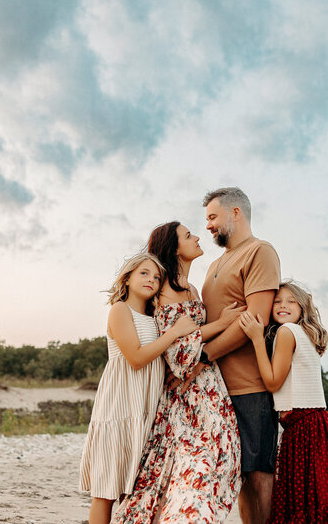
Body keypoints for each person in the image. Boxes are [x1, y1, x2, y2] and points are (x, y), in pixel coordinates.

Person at [113, 222, 243, 522]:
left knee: (221, 463)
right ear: (174, 249)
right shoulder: (164, 292)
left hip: (211, 390)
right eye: (188, 235)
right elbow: (180, 356)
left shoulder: (192, 288)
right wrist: (221, 323)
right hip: (187, 399)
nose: (197, 237)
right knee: (192, 473)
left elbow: (192, 338)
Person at [79, 253, 197, 524]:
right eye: (144, 273)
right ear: (128, 277)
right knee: (106, 490)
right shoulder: (120, 310)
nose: (151, 280)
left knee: (133, 490)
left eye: (156, 277)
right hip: (120, 408)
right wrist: (174, 332)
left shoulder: (154, 317)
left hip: (146, 410)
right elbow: (135, 358)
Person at [239, 280, 328, 523]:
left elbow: (274, 382)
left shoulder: (287, 332)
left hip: (306, 427)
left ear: (302, 308)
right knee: (320, 498)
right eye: (277, 301)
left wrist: (256, 339)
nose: (282, 305)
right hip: (316, 425)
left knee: (308, 501)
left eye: (291, 301)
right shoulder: (304, 333)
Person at [199, 187, 281, 524]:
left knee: (258, 475)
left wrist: (204, 357)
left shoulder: (260, 252)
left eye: (212, 217)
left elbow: (256, 320)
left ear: (236, 212)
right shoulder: (214, 264)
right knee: (237, 476)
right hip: (215, 389)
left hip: (251, 387)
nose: (207, 226)